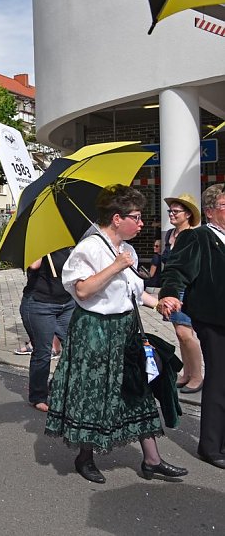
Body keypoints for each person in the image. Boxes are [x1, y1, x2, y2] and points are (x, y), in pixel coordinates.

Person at [46, 185, 187, 483]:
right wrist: (115, 266)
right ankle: (85, 457)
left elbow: (134, 293)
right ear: (117, 218)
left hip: (124, 328)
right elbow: (82, 290)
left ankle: (152, 460)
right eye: (136, 217)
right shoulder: (89, 248)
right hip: (94, 330)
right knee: (94, 394)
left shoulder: (127, 250)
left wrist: (158, 302)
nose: (141, 223)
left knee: (138, 388)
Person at [158, 184, 225, 469]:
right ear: (210, 210)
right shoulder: (198, 236)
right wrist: (169, 293)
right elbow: (177, 269)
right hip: (214, 318)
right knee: (220, 380)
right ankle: (210, 446)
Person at [17, 249, 75, 412]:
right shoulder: (38, 245)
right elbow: (33, 266)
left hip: (67, 303)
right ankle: (38, 397)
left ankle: (57, 385)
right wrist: (40, 250)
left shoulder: (68, 246)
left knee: (74, 348)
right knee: (43, 351)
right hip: (39, 304)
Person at [160, 193, 204, 394]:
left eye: (176, 211)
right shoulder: (169, 234)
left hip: (185, 289)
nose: (171, 214)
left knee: (185, 333)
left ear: (188, 214)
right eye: (170, 210)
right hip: (171, 287)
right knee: (179, 333)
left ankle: (197, 376)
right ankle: (187, 373)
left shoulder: (194, 235)